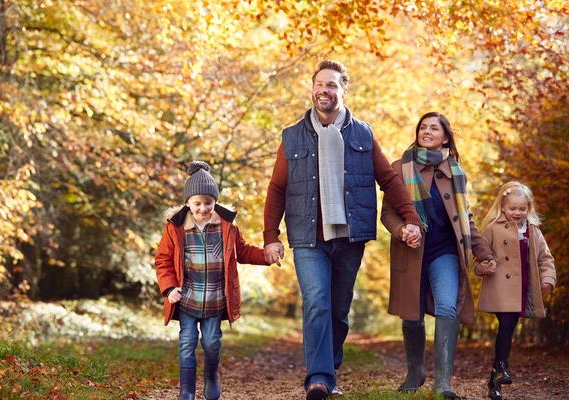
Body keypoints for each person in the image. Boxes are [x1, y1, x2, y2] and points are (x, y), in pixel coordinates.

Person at [263, 60, 422, 400]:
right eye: (320, 84)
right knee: (317, 302)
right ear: (312, 88)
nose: (325, 90)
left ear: (343, 91)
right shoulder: (292, 136)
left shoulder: (363, 132)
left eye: (332, 85)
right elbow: (277, 189)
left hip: (350, 237)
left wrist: (411, 218)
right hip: (309, 237)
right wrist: (270, 237)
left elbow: (389, 180)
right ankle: (318, 380)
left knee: (338, 309)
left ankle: (330, 370)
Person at [381, 112, 496, 399]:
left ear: (445, 137)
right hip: (410, 252)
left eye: (434, 128)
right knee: (412, 315)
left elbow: (465, 218)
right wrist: (401, 230)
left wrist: (483, 253)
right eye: (423, 127)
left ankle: (442, 382)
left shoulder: (456, 172)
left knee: (447, 306)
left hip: (444, 251)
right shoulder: (399, 168)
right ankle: (415, 371)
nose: (427, 131)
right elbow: (387, 214)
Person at [155, 161, 275, 400]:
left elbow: (243, 251)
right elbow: (163, 260)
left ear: (215, 202)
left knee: (211, 343)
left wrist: (266, 255)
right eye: (197, 204)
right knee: (187, 343)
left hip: (214, 300)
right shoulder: (175, 228)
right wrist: (169, 289)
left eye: (208, 203)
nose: (202, 209)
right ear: (188, 203)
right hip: (187, 299)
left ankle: (211, 376)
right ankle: (187, 390)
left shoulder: (226, 227)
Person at [475, 181, 556, 400]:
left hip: (521, 288)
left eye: (522, 209)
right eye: (513, 208)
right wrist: (483, 266)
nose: (517, 213)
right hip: (500, 288)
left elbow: (545, 258)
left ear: (528, 209)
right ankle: (502, 367)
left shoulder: (533, 231)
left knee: (508, 328)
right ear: (503, 207)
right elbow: (478, 255)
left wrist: (548, 279)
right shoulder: (492, 228)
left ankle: (494, 379)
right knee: (507, 324)